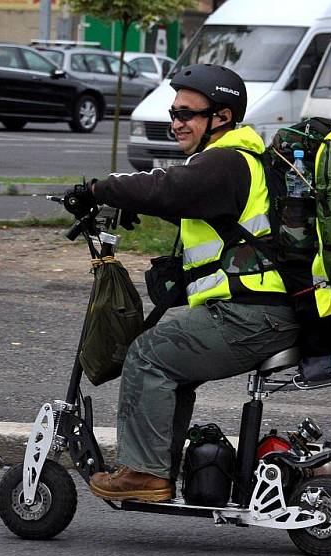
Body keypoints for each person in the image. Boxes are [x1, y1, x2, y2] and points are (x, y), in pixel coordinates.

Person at [66, 64, 300, 502]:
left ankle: (145, 475)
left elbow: (170, 187)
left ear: (222, 116)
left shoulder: (228, 160)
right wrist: (142, 207)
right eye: (173, 113)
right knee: (170, 365)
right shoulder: (230, 162)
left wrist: (102, 189)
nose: (176, 123)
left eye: (188, 114)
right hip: (253, 313)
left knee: (148, 355)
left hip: (251, 314)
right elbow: (193, 206)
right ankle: (158, 471)